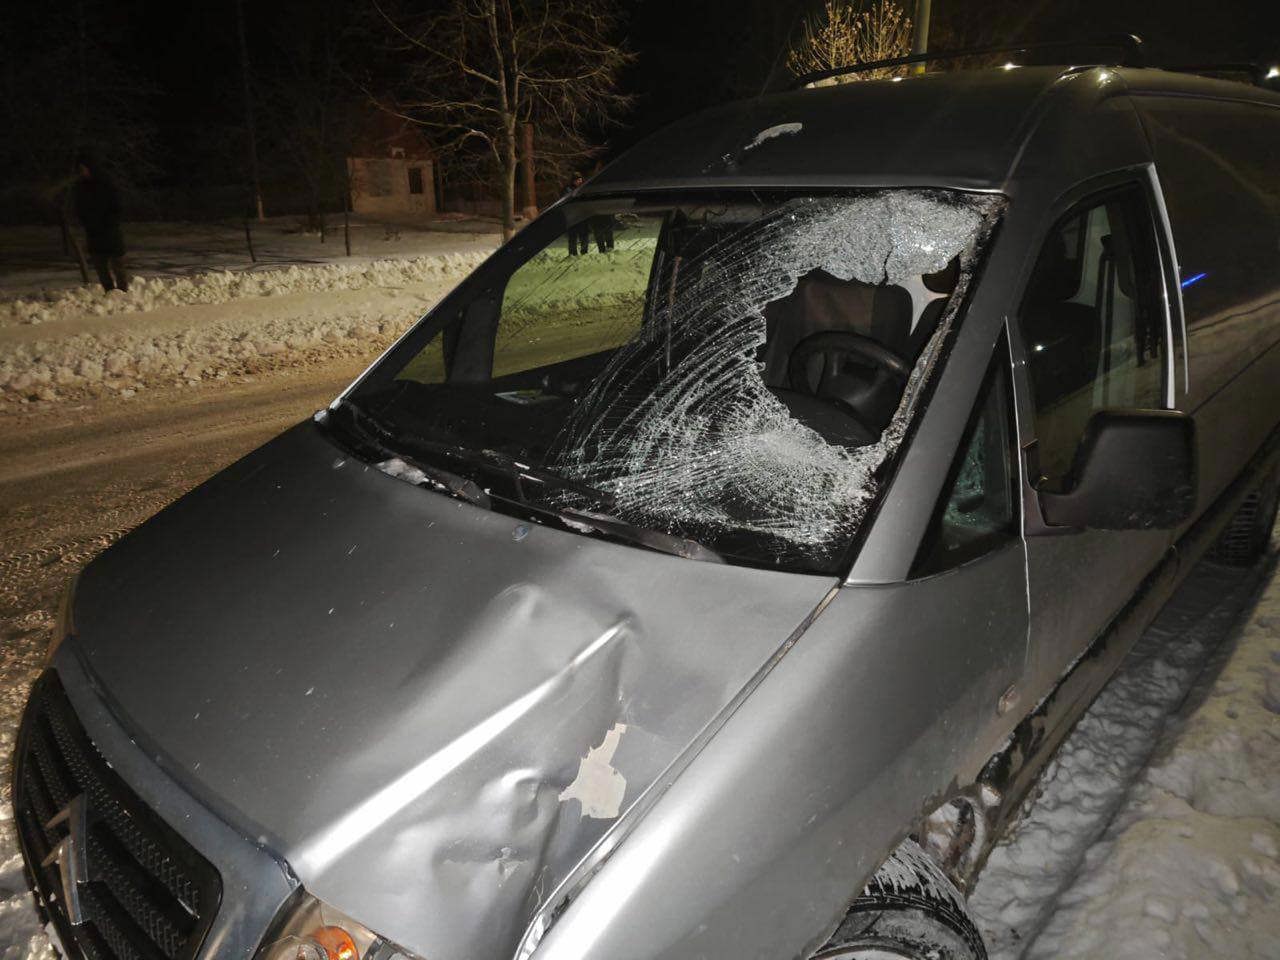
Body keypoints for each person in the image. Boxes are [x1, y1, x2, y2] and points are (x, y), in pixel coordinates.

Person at [72, 150, 129, 292]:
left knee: (118, 264)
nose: (82, 172)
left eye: (83, 168)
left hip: (110, 231)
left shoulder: (107, 183)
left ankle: (123, 292)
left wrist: (110, 222)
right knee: (100, 265)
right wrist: (85, 221)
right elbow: (79, 206)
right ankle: (109, 292)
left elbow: (118, 206)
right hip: (93, 232)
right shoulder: (81, 186)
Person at [563, 173, 590, 256]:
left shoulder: (583, 188)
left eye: (581, 180)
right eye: (578, 180)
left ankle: (584, 252)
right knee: (572, 236)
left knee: (584, 235)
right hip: (572, 216)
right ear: (573, 181)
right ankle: (573, 253)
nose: (580, 181)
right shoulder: (568, 189)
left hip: (582, 215)